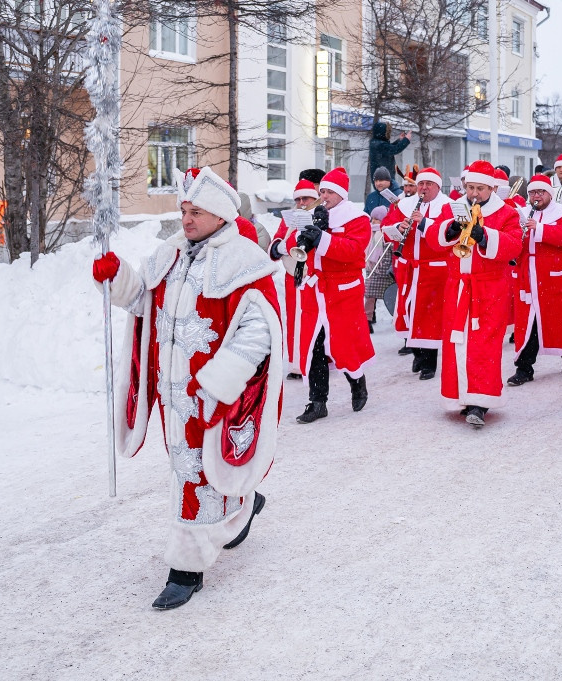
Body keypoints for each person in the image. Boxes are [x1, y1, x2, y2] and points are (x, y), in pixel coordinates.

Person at [92, 166, 281, 610]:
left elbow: (259, 331)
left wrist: (219, 383)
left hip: (212, 395)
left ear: (219, 215)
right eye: (184, 210)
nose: (187, 219)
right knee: (189, 467)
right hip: (172, 394)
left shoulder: (245, 261)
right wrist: (116, 276)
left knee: (196, 472)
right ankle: (243, 503)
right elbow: (143, 301)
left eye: (196, 211)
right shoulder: (170, 253)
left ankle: (186, 569)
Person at [425, 159, 522, 427]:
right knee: (456, 343)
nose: (474, 193)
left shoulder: (507, 213)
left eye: (480, 188)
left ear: (491, 189)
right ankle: (460, 397)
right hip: (457, 287)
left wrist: (485, 236)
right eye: (470, 188)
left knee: (484, 345)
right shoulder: (452, 208)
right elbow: (433, 238)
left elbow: (514, 245)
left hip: (489, 289)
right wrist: (450, 229)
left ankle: (480, 402)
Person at [276, 167, 375, 424]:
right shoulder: (312, 213)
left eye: (330, 192)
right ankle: (317, 402)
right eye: (322, 191)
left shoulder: (358, 219)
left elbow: (353, 251)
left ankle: (357, 382)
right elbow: (292, 243)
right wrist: (298, 239)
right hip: (314, 290)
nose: (325, 196)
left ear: (342, 194)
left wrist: (322, 238)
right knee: (314, 348)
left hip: (343, 293)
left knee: (343, 347)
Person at [380, 166, 450, 380]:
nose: (423, 188)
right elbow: (385, 228)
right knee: (409, 313)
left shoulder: (447, 206)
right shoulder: (403, 204)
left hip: (434, 270)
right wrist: (397, 228)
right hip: (409, 268)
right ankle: (418, 353)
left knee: (429, 316)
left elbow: (448, 234)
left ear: (437, 187)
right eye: (421, 184)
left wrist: (425, 223)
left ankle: (429, 362)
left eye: (429, 184)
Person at [507, 174, 562, 386]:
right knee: (527, 325)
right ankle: (524, 368)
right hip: (528, 278)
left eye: (540, 192)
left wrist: (540, 228)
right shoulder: (523, 213)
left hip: (555, 277)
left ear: (550, 193)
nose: (536, 196)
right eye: (532, 193)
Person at [269, 178, 320, 379]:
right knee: (294, 321)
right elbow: (276, 242)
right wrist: (279, 247)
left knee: (314, 320)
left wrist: (289, 243)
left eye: (305, 198)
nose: (301, 203)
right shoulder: (289, 219)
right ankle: (296, 363)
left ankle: (316, 361)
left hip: (314, 277)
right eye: (298, 199)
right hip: (293, 277)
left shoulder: (320, 215)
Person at [363, 205, 392, 333]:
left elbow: (390, 251)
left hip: (384, 270)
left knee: (391, 295)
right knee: (369, 294)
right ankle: (368, 318)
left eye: (377, 219)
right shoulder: (370, 233)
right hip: (372, 268)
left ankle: (398, 318)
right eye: (373, 219)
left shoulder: (386, 233)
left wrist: (387, 267)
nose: (373, 222)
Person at [367, 122, 411, 188]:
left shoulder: (376, 143)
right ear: (383, 133)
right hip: (384, 179)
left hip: (382, 178)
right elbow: (395, 149)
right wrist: (406, 140)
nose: (389, 134)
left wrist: (400, 140)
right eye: (388, 132)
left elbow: (389, 148)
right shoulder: (379, 144)